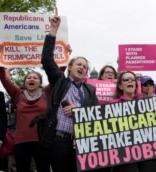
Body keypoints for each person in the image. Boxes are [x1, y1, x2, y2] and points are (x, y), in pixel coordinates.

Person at [41, 9, 99, 172]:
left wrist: (78, 111)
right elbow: (46, 59)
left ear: (87, 73)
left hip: (82, 142)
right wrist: (53, 30)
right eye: (78, 64)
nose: (81, 67)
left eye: (85, 67)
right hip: (59, 141)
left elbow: (96, 115)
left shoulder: (90, 90)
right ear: (70, 67)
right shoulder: (59, 80)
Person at [0, 46, 51, 172]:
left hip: (42, 142)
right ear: (25, 82)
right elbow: (3, 78)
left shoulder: (46, 93)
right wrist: (0, 58)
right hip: (21, 142)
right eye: (29, 78)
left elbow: (56, 76)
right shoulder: (18, 94)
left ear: (40, 83)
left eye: (35, 78)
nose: (31, 79)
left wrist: (64, 57)